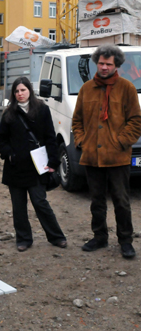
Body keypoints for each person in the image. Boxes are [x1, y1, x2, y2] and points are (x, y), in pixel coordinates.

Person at [72, 44, 141, 258]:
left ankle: (125, 241)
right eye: (101, 63)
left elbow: (136, 121)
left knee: (121, 200)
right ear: (96, 62)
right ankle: (99, 237)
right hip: (92, 157)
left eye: (108, 64)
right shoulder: (86, 89)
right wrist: (83, 141)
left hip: (118, 157)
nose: (104, 67)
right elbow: (77, 120)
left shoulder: (127, 88)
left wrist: (121, 142)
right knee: (97, 201)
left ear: (116, 65)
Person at [0, 76, 67, 252]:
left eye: (23, 90)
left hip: (37, 166)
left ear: (29, 91)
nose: (20, 94)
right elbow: (1, 139)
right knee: (18, 207)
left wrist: (53, 162)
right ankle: (24, 239)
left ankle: (57, 237)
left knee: (40, 202)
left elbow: (50, 137)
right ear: (13, 93)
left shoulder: (41, 109)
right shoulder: (9, 113)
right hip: (16, 168)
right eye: (17, 91)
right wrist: (9, 154)